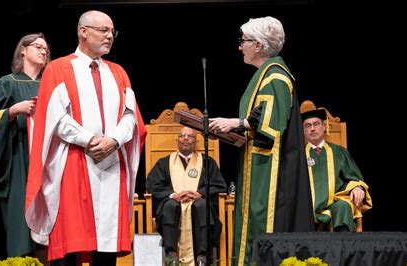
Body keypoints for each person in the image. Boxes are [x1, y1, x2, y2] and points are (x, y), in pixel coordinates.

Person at [24, 10, 146, 266]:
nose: (110, 36)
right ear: (83, 31)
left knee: (106, 248)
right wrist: (89, 140)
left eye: (112, 32)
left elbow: (130, 116)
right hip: (75, 162)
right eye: (104, 30)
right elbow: (55, 117)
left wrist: (113, 141)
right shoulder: (59, 68)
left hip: (111, 165)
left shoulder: (118, 72)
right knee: (71, 242)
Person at [208, 16, 315, 265]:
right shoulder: (265, 75)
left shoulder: (276, 77)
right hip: (258, 162)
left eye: (243, 41)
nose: (239, 46)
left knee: (263, 223)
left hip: (273, 170)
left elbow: (271, 123)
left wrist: (235, 122)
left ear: (258, 45)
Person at [0, 32, 50, 258]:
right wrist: (13, 111)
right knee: (21, 221)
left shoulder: (52, 85)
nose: (43, 50)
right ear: (23, 50)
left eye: (45, 48)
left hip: (49, 161)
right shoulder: (7, 83)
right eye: (37, 46)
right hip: (19, 159)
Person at [145, 126, 227, 266]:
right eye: (182, 136)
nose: (186, 139)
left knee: (201, 204)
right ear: (177, 140)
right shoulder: (165, 162)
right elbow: (152, 185)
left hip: (199, 205)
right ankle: (171, 253)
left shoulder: (207, 162)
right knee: (170, 205)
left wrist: (200, 193)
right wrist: (173, 195)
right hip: (173, 204)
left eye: (190, 136)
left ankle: (202, 255)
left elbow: (219, 185)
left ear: (196, 141)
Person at [301, 109, 372, 232]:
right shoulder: (298, 156)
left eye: (316, 124)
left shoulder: (339, 152)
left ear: (324, 127)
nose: (312, 128)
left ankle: (343, 248)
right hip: (306, 208)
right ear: (303, 131)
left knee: (343, 206)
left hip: (334, 206)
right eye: (308, 125)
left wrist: (357, 187)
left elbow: (354, 177)